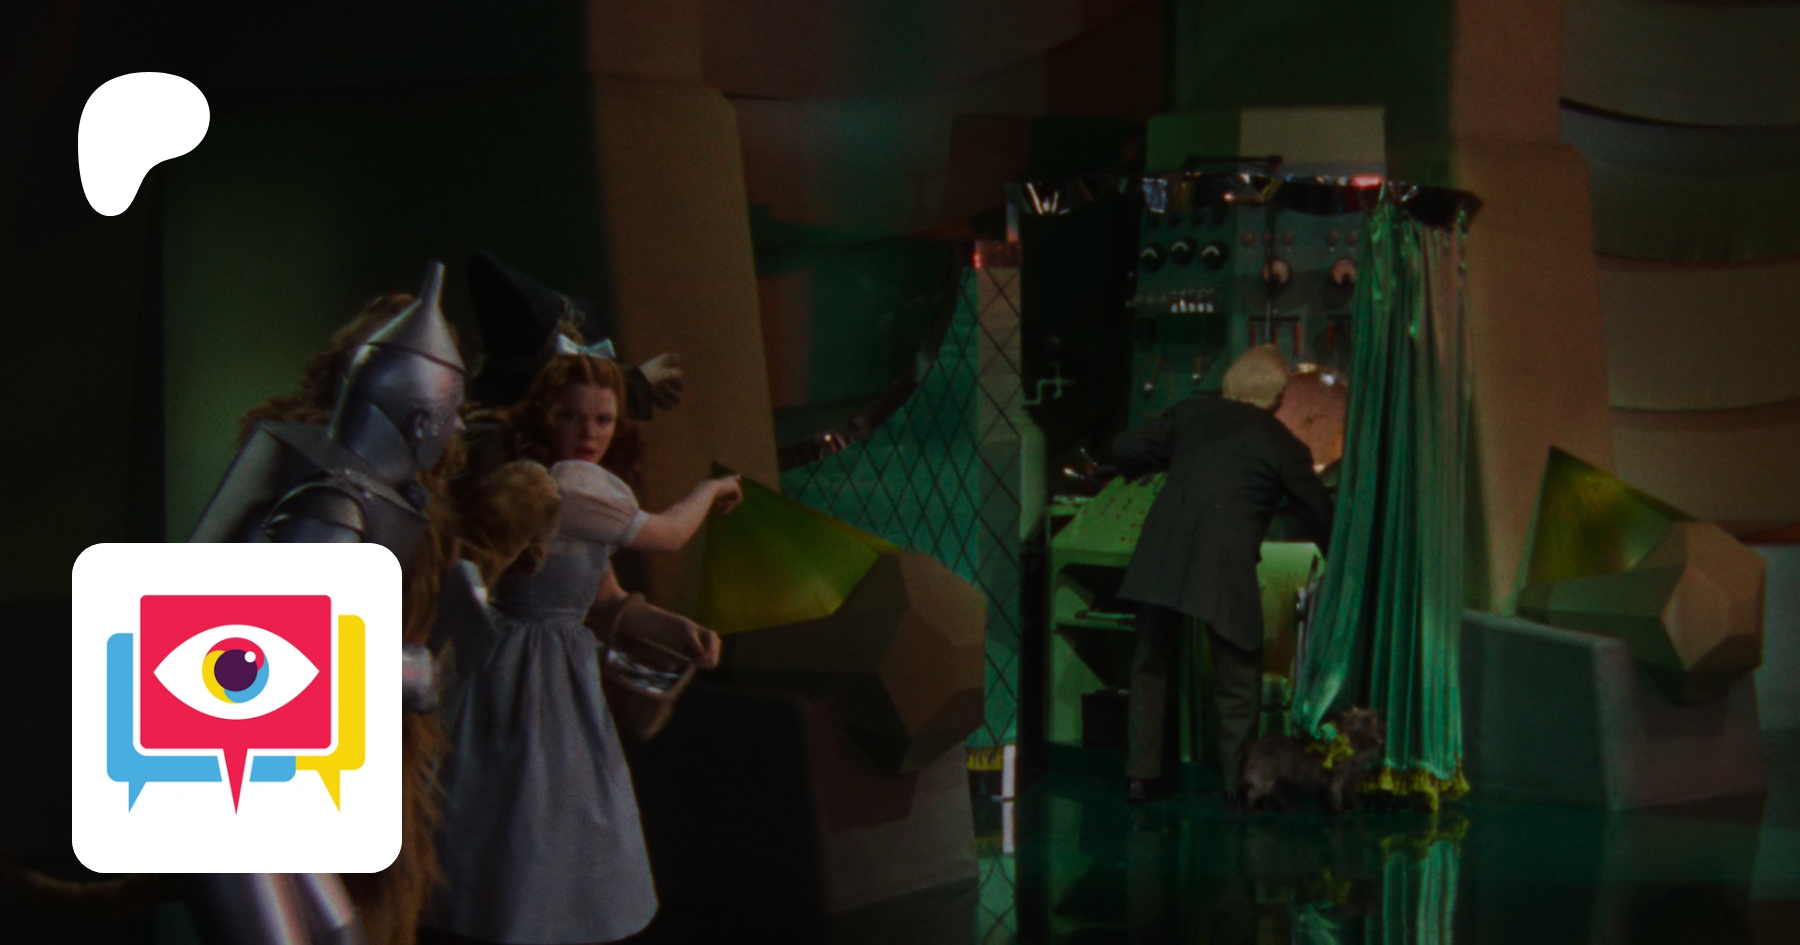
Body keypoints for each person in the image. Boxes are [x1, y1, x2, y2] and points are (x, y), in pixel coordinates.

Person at [187, 262, 468, 945]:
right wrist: (410, 672)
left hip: (269, 771)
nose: (457, 426)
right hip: (225, 774)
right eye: (451, 413)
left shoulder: (335, 484)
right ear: (422, 418)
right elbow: (272, 658)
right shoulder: (331, 506)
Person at [422, 352, 738, 945]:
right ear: (544, 416)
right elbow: (669, 534)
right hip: (520, 670)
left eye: (602, 419)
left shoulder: (582, 490)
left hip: (556, 669)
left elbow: (604, 597)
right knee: (518, 816)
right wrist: (711, 488)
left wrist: (674, 629)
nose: (588, 433)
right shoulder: (564, 487)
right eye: (571, 417)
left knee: (560, 821)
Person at [1112, 345, 1333, 806]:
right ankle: (1237, 784)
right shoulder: (1281, 442)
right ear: (1278, 397)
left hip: (1162, 550)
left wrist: (1168, 465)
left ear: (1229, 383)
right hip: (1224, 562)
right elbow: (1317, 511)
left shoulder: (1189, 414)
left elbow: (1126, 447)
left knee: (1150, 665)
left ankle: (1138, 777)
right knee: (1237, 676)